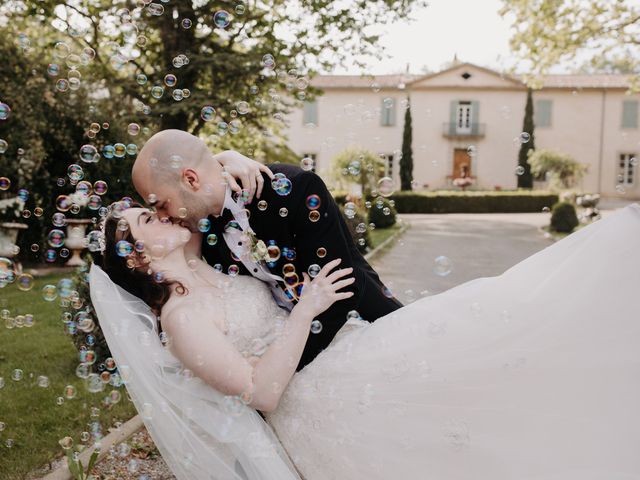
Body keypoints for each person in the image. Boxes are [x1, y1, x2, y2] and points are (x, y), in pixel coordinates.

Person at [91, 194, 640, 480]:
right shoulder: (183, 319)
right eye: (148, 220)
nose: (163, 214)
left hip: (344, 357)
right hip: (325, 403)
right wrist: (307, 308)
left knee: (477, 336)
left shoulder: (215, 270)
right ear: (140, 257)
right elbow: (259, 393)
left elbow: (246, 203)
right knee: (475, 356)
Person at [130, 129, 403, 372]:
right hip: (287, 357)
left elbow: (344, 289)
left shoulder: (296, 189)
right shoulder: (200, 229)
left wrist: (280, 369)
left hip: (368, 333)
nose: (163, 217)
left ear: (190, 180)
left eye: (162, 204)